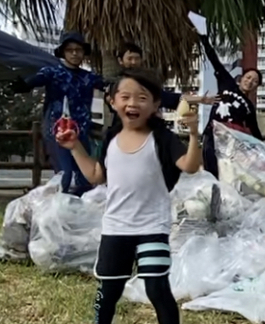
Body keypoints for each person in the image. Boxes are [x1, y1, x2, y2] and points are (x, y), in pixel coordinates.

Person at [55, 68, 202, 324]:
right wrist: (74, 146)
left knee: (157, 288)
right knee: (109, 291)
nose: (133, 103)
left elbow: (189, 166)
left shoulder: (162, 138)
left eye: (142, 98)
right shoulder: (110, 137)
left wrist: (192, 135)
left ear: (155, 105)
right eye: (125, 97)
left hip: (152, 226)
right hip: (116, 227)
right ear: (113, 102)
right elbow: (96, 176)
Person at [15, 32, 108, 194]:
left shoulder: (90, 78)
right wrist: (24, 85)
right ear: (63, 52)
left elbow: (110, 87)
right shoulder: (52, 73)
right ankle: (58, 212)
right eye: (70, 50)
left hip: (81, 133)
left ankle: (77, 214)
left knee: (84, 178)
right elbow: (36, 80)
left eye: (78, 50)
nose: (74, 53)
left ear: (83, 52)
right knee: (65, 177)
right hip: (58, 132)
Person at [197, 33, 263, 177]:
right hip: (212, 136)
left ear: (256, 86)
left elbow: (255, 131)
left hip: (230, 144)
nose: (250, 81)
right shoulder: (227, 83)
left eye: (255, 81)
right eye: (248, 77)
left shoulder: (248, 106)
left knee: (227, 175)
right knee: (211, 172)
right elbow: (214, 60)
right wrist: (203, 37)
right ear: (242, 77)